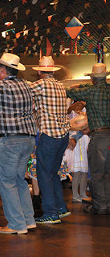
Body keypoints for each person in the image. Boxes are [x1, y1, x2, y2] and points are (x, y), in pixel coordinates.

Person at [0, 53, 37, 234]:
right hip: (28, 138)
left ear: (2, 71)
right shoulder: (27, 86)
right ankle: (28, 219)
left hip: (10, 139)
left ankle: (16, 224)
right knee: (19, 180)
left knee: (7, 181)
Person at [29, 56, 71, 224]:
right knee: (53, 172)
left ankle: (50, 213)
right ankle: (61, 207)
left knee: (43, 174)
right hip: (63, 135)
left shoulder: (40, 85)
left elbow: (24, 92)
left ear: (39, 71)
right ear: (53, 71)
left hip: (49, 134)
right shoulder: (60, 86)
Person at [66, 63, 110, 214]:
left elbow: (71, 93)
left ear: (93, 79)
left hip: (99, 136)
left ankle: (100, 206)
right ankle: (108, 203)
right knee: (108, 173)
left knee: (97, 173)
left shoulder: (91, 91)